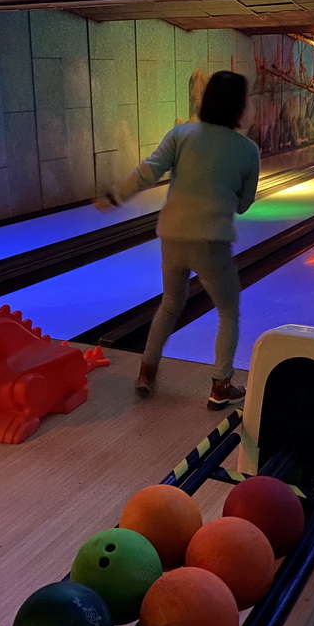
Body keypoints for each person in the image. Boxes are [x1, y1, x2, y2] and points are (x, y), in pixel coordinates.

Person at [97, 70, 260, 409]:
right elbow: (244, 205)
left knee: (170, 304)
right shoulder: (247, 150)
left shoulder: (181, 134)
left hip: (171, 236)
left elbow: (148, 171)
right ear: (239, 106)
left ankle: (146, 373)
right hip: (211, 242)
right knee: (228, 311)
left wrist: (115, 197)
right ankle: (221, 385)